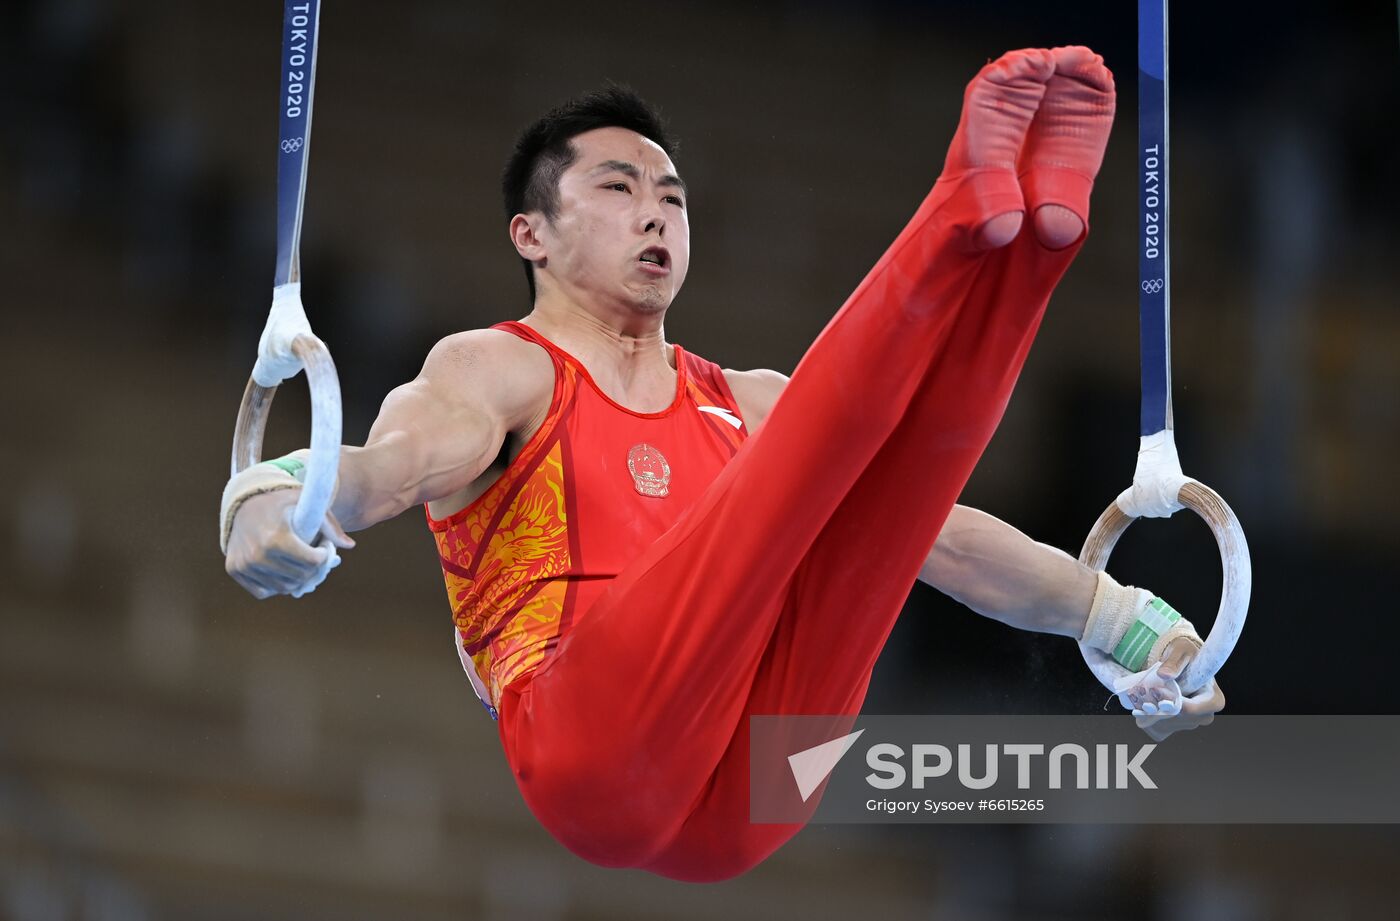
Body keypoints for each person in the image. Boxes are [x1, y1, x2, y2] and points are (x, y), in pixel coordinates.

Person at [221, 46, 1225, 881]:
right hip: (595, 758)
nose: (655, 212)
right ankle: (959, 218)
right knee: (797, 469)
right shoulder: (496, 370)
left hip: (764, 797)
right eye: (617, 189)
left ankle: (1028, 248)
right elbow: (386, 468)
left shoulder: (749, 403)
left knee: (888, 508)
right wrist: (275, 498)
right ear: (529, 233)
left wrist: (1126, 624)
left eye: (671, 195)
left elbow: (945, 545)